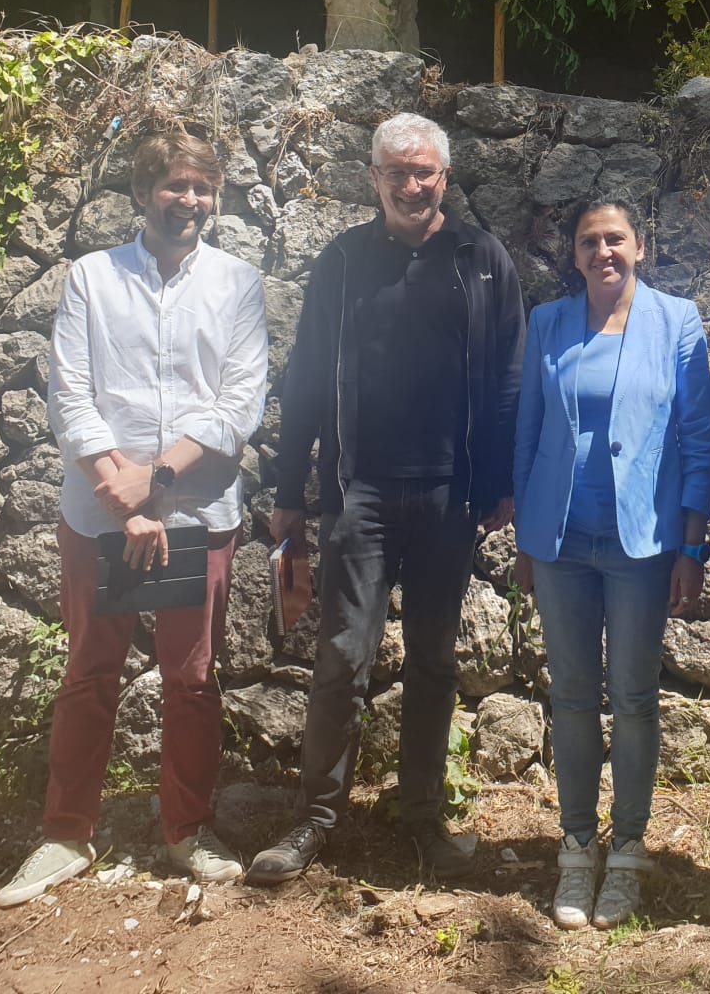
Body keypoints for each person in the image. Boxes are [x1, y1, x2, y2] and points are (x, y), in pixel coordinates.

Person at [0, 130, 269, 907]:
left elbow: (236, 402)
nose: (190, 201)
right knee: (89, 673)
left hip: (193, 514)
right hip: (99, 512)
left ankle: (187, 828)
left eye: (202, 188)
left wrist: (153, 486)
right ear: (144, 193)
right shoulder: (93, 276)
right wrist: (120, 492)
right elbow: (70, 394)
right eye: (176, 186)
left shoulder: (237, 283)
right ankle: (64, 834)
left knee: (191, 680)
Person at [249, 112, 524, 885]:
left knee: (436, 660)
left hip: (448, 497)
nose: (412, 185)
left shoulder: (482, 259)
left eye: (425, 172)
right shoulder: (341, 263)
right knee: (341, 655)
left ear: (445, 176)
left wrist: (500, 481)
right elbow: (304, 376)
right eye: (397, 172)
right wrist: (289, 490)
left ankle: (422, 817)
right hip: (358, 493)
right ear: (373, 178)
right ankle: (316, 818)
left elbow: (509, 377)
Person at [511, 198, 710, 930]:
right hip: (562, 545)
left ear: (639, 247)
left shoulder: (678, 322)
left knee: (632, 700)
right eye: (589, 241)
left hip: (643, 546)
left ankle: (626, 853)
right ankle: (575, 848)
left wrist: (693, 546)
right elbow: (528, 436)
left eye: (616, 239)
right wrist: (527, 543)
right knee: (571, 696)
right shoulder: (548, 324)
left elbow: (700, 437)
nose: (603, 251)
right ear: (573, 254)